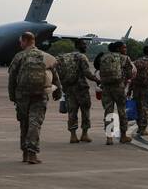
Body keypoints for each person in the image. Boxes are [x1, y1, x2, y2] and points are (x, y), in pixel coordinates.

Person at [7, 31, 59, 164]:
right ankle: (32, 153)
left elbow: (12, 78)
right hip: (40, 94)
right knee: (35, 123)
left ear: (25, 41)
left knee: (24, 124)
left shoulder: (19, 56)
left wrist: (13, 96)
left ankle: (25, 153)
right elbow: (54, 75)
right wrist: (57, 91)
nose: (20, 44)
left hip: (22, 96)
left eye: (21, 42)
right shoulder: (45, 56)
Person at [57, 38, 101, 144]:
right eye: (84, 45)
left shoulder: (64, 57)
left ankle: (73, 136)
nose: (86, 46)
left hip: (68, 88)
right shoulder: (81, 57)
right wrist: (97, 80)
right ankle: (84, 134)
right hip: (81, 88)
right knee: (85, 111)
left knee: (72, 112)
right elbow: (87, 73)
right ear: (78, 45)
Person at [97, 41, 135, 145]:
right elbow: (129, 73)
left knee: (108, 112)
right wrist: (125, 81)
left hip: (106, 88)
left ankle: (109, 137)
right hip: (119, 87)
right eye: (124, 48)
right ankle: (123, 136)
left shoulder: (104, 57)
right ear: (118, 49)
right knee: (121, 111)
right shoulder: (124, 58)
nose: (125, 50)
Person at [130, 45, 148, 136]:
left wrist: (130, 89)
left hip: (136, 88)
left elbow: (132, 76)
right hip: (146, 88)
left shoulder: (136, 62)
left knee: (138, 107)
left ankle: (139, 126)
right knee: (145, 107)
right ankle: (143, 128)